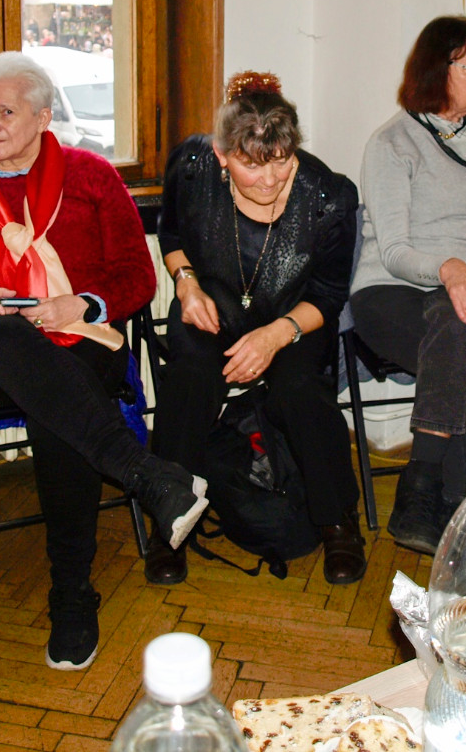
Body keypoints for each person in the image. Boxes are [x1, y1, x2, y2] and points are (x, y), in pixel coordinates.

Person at [0, 51, 209, 671]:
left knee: (58, 399)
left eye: (6, 112)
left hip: (78, 340)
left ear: (41, 117)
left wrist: (81, 304)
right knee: (6, 339)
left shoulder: (92, 177)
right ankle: (144, 473)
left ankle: (71, 592)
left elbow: (137, 277)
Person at [149, 71, 365, 585]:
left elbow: (329, 295)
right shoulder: (193, 167)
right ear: (223, 155)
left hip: (294, 314)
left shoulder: (329, 196)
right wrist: (186, 285)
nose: (269, 179)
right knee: (190, 375)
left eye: (281, 161)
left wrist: (275, 335)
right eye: (251, 164)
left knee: (300, 387)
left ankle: (338, 523)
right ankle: (168, 523)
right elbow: (171, 233)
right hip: (212, 303)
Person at [349, 15, 466, 555]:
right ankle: (462, 500)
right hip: (392, 291)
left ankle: (421, 484)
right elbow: (394, 252)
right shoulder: (393, 142)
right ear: (435, 70)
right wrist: (451, 269)